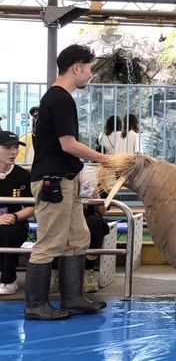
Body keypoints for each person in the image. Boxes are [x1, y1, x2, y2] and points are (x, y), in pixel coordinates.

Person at [25, 44, 108, 321]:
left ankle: (72, 298)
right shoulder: (59, 99)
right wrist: (103, 158)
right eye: (90, 68)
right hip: (53, 181)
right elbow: (68, 144)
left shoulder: (58, 98)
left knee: (77, 238)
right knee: (50, 242)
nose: (90, 74)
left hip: (65, 179)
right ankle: (36, 305)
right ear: (77, 67)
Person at [0, 131, 35, 295]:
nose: (13, 152)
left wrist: (14, 216)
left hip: (15, 224)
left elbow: (32, 206)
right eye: (7, 147)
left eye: (15, 147)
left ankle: (8, 280)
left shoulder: (22, 175)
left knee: (8, 232)